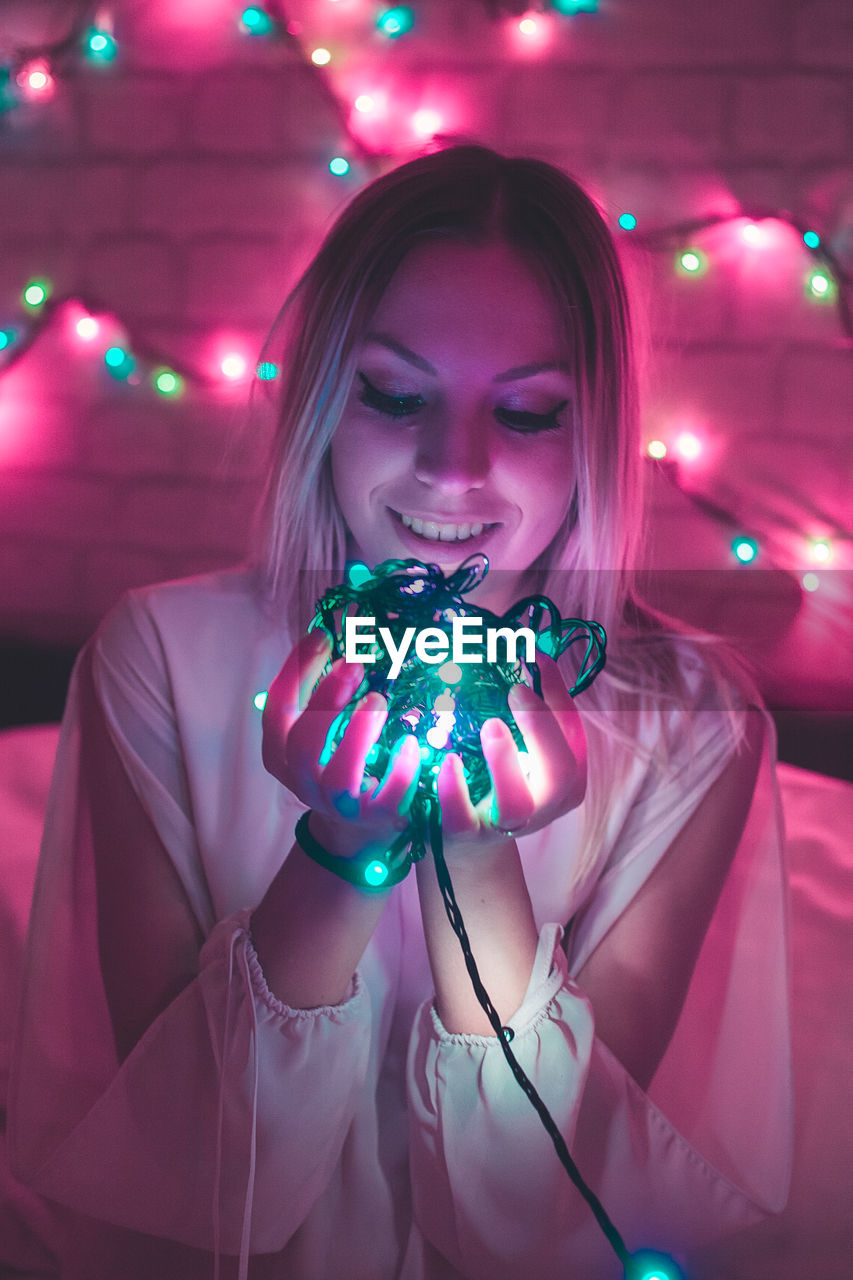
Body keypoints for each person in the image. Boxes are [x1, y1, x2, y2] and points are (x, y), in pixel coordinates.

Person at [8, 145, 791, 1279]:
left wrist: (478, 856)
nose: (452, 469)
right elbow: (204, 1180)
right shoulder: (161, 658)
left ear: (598, 433)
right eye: (394, 393)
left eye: (525, 412)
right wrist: (339, 850)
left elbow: (535, 1212)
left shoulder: (694, 722)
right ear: (325, 396)